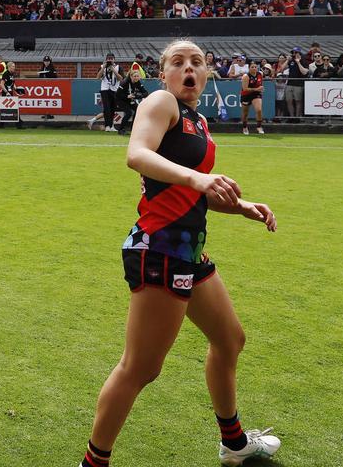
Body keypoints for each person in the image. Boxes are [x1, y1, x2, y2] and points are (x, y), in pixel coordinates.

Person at [77, 40, 279, 467]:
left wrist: (241, 206)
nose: (189, 68)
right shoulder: (161, 102)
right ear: (163, 73)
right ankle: (93, 464)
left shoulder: (200, 122)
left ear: (207, 76)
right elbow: (137, 154)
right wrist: (197, 179)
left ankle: (234, 444)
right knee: (140, 368)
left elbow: (194, 193)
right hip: (159, 248)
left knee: (229, 340)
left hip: (189, 250)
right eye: (178, 62)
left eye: (197, 63)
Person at [116, 66, 149, 135]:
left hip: (130, 100)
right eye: (135, 76)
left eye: (137, 76)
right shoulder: (125, 82)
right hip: (121, 100)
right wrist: (127, 96)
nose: (136, 77)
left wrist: (137, 96)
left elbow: (146, 93)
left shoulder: (138, 82)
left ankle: (133, 129)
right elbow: (117, 94)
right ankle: (121, 129)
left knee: (138, 110)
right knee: (129, 113)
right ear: (131, 76)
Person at [93, 55, 122, 132]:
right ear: (106, 60)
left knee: (113, 108)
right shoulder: (102, 66)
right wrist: (103, 67)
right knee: (107, 109)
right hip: (105, 90)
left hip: (114, 90)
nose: (110, 60)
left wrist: (113, 69)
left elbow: (120, 78)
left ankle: (111, 125)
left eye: (111, 59)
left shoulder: (118, 67)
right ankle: (107, 126)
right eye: (108, 59)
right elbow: (98, 77)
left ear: (114, 60)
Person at [240, 61, 265, 135]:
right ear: (249, 68)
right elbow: (245, 88)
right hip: (246, 95)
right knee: (245, 113)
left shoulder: (260, 74)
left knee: (259, 110)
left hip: (256, 94)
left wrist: (260, 89)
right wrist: (256, 89)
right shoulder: (246, 76)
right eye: (252, 67)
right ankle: (245, 127)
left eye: (255, 67)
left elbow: (260, 84)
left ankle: (259, 127)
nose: (254, 68)